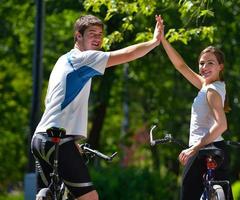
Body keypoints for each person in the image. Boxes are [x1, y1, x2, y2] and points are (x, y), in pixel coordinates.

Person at [31, 14, 163, 200]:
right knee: (90, 198)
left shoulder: (63, 60)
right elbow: (127, 54)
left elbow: (52, 102)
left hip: (41, 139)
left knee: (50, 195)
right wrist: (154, 42)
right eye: (92, 34)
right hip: (58, 142)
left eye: (100, 34)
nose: (98, 38)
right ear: (78, 36)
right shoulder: (84, 58)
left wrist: (71, 138)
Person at [156, 16, 233, 200]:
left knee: (187, 194)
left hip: (202, 149)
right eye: (201, 63)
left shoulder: (211, 90)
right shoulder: (211, 85)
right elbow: (181, 66)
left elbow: (222, 125)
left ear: (220, 66)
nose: (204, 67)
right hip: (218, 148)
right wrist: (162, 40)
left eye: (210, 63)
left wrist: (194, 148)